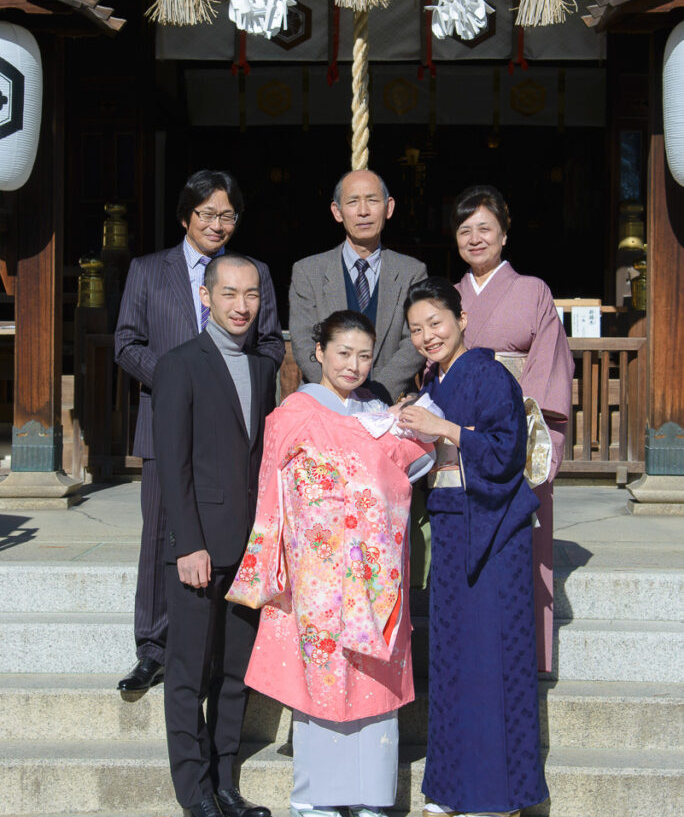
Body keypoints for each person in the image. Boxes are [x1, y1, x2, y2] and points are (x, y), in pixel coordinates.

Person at [227, 311, 435, 817]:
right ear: (317, 351)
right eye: (343, 352)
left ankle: (373, 798)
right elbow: (272, 492)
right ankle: (315, 795)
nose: (354, 364)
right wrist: (273, 559)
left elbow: (405, 472)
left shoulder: (381, 413)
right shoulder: (292, 413)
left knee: (375, 679)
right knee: (321, 680)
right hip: (317, 571)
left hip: (375, 573)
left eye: (364, 355)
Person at [115, 170, 284, 694]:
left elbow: (271, 347)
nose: (217, 223)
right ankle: (154, 646)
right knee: (161, 533)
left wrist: (221, 387)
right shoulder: (148, 271)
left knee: (230, 534)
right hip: (163, 423)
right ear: (185, 216)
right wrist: (177, 380)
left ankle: (222, 649)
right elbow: (125, 342)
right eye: (207, 213)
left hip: (231, 434)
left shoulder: (252, 274)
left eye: (227, 214)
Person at [399, 277, 548, 817]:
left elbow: (507, 451)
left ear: (461, 318)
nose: (427, 336)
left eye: (435, 322)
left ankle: (502, 795)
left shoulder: (486, 373)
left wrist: (443, 428)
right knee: (454, 657)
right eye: (416, 329)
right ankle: (451, 784)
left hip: (492, 527)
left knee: (490, 659)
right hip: (453, 521)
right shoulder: (433, 378)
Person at [151, 253, 274, 817]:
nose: (241, 305)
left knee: (234, 671)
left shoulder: (263, 366)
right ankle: (194, 792)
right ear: (206, 296)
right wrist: (187, 545)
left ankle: (226, 780)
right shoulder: (180, 365)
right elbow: (172, 468)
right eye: (229, 294)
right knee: (187, 671)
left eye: (250, 294)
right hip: (200, 547)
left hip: (250, 546)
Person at [450, 185, 573, 672]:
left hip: (519, 436)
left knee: (520, 547)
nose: (475, 239)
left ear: (504, 233)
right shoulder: (450, 296)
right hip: (459, 436)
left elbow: (547, 370)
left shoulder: (532, 291)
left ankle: (526, 657)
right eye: (465, 230)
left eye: (485, 228)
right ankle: (468, 655)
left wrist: (527, 441)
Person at [289, 170, 426, 404]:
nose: (363, 211)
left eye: (372, 200)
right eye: (353, 202)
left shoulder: (411, 271)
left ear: (389, 207)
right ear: (337, 212)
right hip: (325, 401)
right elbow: (304, 343)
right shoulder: (308, 271)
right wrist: (338, 396)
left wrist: (377, 397)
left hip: (392, 401)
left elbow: (415, 341)